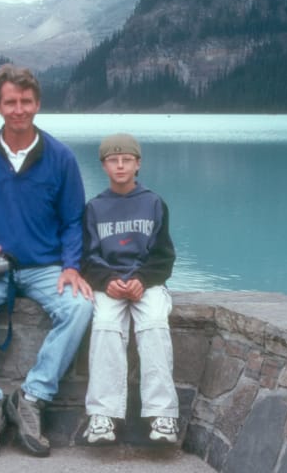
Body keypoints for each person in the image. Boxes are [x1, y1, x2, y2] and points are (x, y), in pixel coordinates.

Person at [0, 64, 94, 459]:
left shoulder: (61, 157)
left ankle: (31, 397)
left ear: (38, 103)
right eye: (10, 102)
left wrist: (70, 266)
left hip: (47, 267)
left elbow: (71, 221)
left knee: (80, 305)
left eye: (26, 101)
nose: (19, 110)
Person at [80, 133, 179, 445]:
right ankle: (103, 416)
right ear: (104, 165)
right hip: (108, 284)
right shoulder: (94, 207)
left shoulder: (153, 202)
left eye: (126, 160)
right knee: (106, 326)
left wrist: (143, 279)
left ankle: (163, 415)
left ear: (138, 164)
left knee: (153, 324)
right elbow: (87, 258)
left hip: (146, 283)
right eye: (113, 160)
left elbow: (164, 256)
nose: (120, 165)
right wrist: (108, 280)